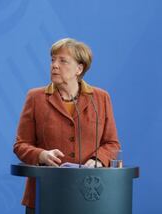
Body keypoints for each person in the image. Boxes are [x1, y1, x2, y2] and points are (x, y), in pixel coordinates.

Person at [13, 38, 120, 213]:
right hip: (45, 194)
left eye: (62, 61)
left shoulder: (100, 98)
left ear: (79, 68)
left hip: (89, 195)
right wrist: (42, 155)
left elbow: (112, 143)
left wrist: (97, 160)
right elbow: (20, 145)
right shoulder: (35, 98)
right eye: (52, 60)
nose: (54, 65)